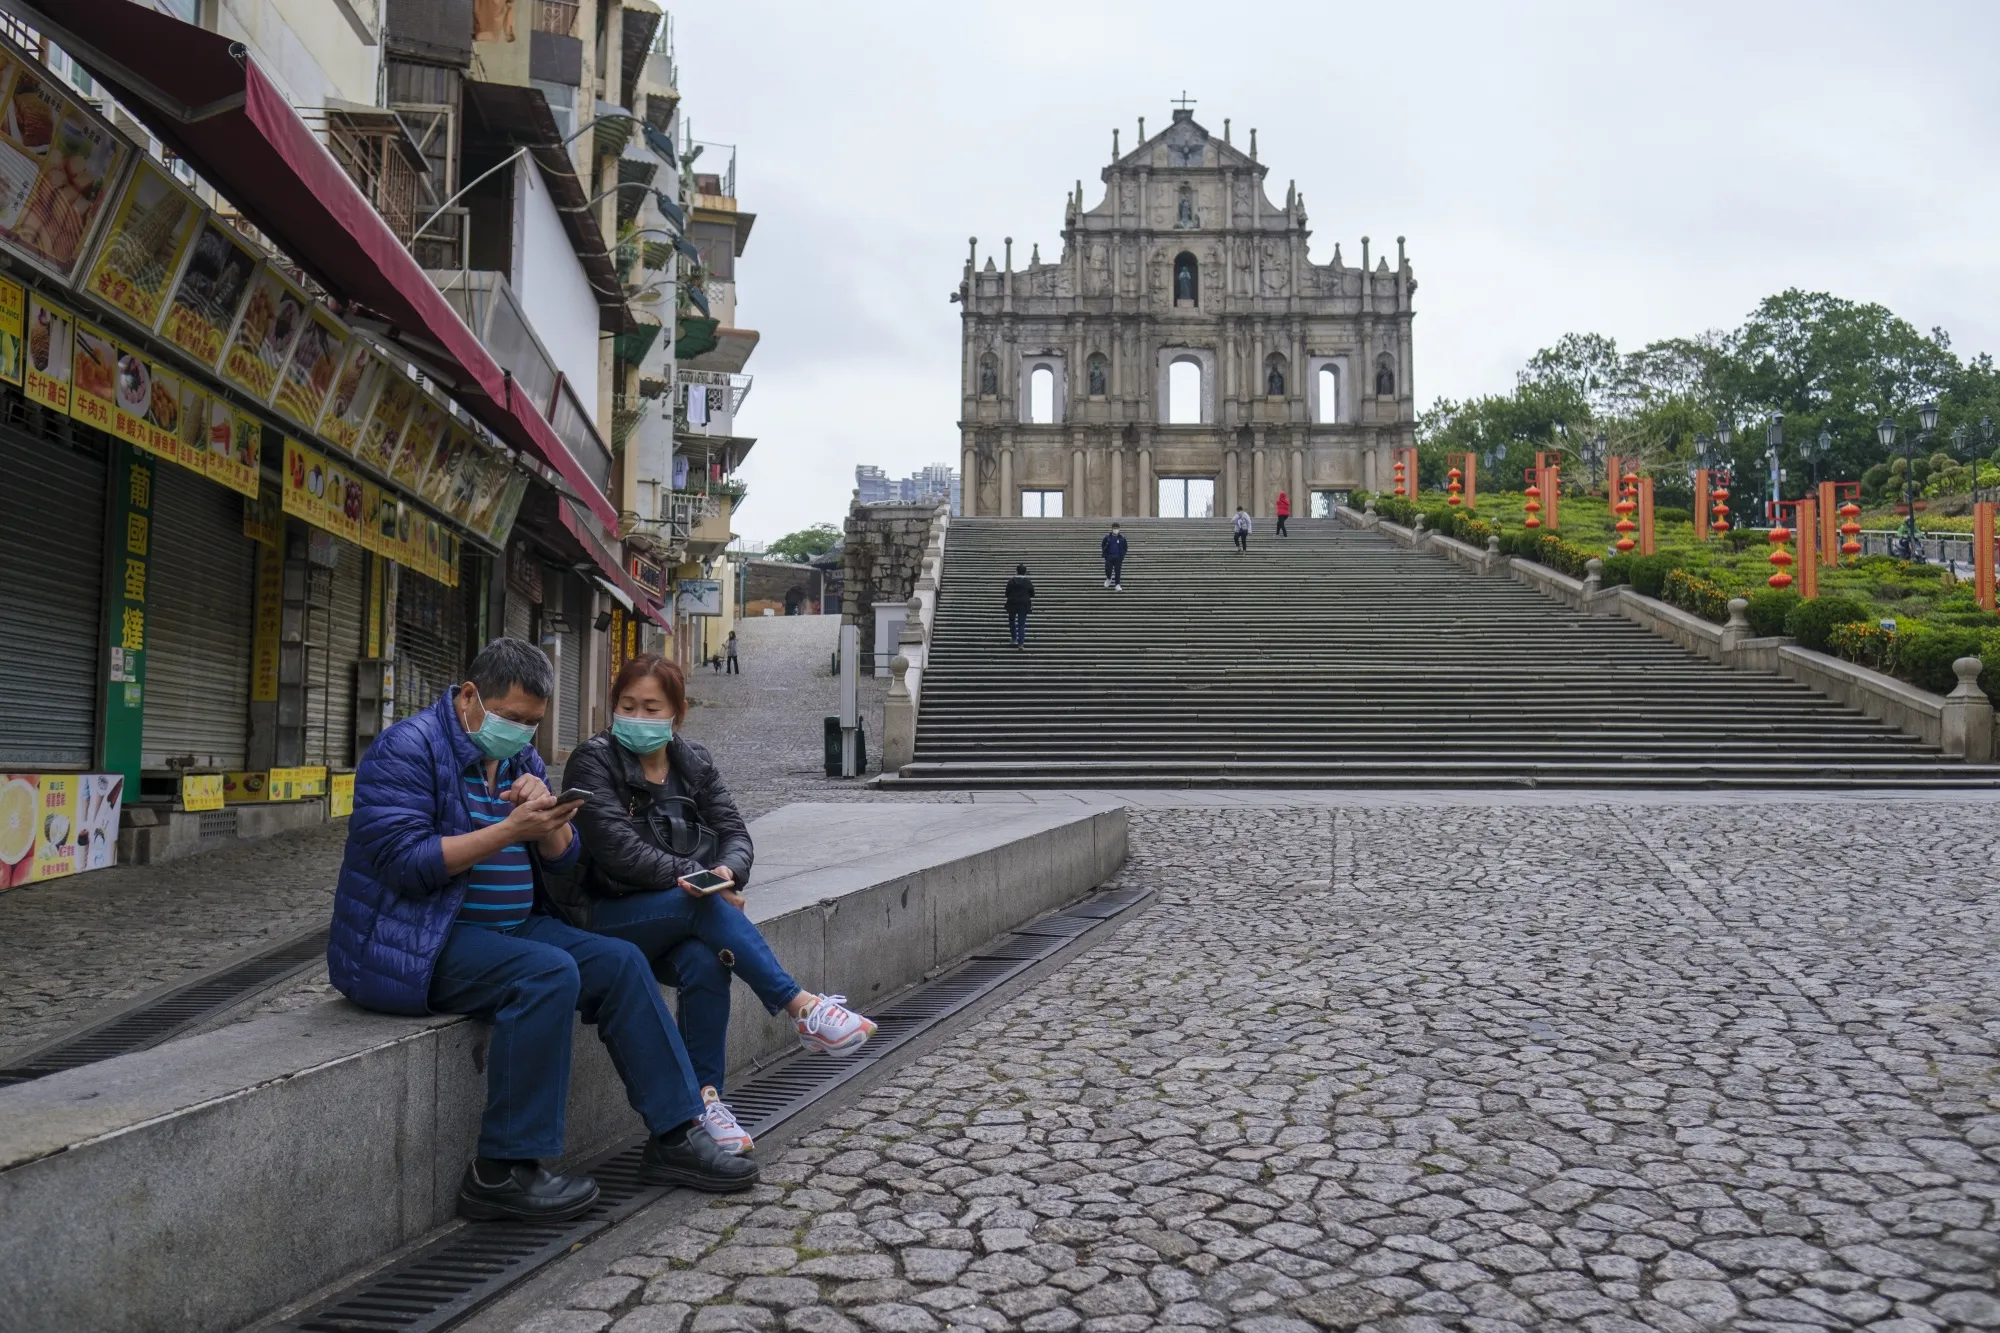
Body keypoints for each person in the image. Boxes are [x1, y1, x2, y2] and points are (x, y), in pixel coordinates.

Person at [328, 639, 757, 1226]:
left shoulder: (519, 760)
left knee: (619, 962)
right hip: (415, 939)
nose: (522, 733)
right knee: (547, 973)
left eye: (533, 724)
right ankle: (502, 1169)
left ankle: (675, 1133)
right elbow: (407, 863)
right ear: (471, 696)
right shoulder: (406, 749)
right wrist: (509, 830)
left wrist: (550, 827)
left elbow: (561, 862)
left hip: (513, 926)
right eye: (512, 719)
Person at [552, 655, 878, 1155]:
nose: (636, 717)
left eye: (650, 707)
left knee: (707, 961)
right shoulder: (593, 760)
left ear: (676, 714)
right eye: (627, 705)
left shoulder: (693, 762)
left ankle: (705, 1105)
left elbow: (735, 833)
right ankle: (802, 1007)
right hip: (603, 915)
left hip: (676, 912)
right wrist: (704, 884)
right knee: (702, 907)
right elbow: (618, 850)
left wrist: (727, 872)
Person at [1005, 563, 1034, 649]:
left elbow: (1007, 592)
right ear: (1025, 572)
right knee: (1021, 624)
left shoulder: (1012, 581)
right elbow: (1032, 593)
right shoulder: (1027, 582)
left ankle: (1014, 638)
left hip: (1012, 604)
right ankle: (1021, 643)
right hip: (1023, 604)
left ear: (1016, 571)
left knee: (1012, 621)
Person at [1101, 523, 1127, 590]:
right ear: (1112, 529)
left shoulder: (1122, 538)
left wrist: (1122, 555)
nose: (1116, 530)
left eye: (1117, 528)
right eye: (1114, 528)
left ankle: (1117, 584)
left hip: (1118, 557)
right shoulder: (1107, 537)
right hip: (1109, 556)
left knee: (1117, 571)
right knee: (1108, 569)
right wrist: (1105, 555)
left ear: (1119, 529)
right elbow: (1103, 545)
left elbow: (1125, 547)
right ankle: (1109, 578)